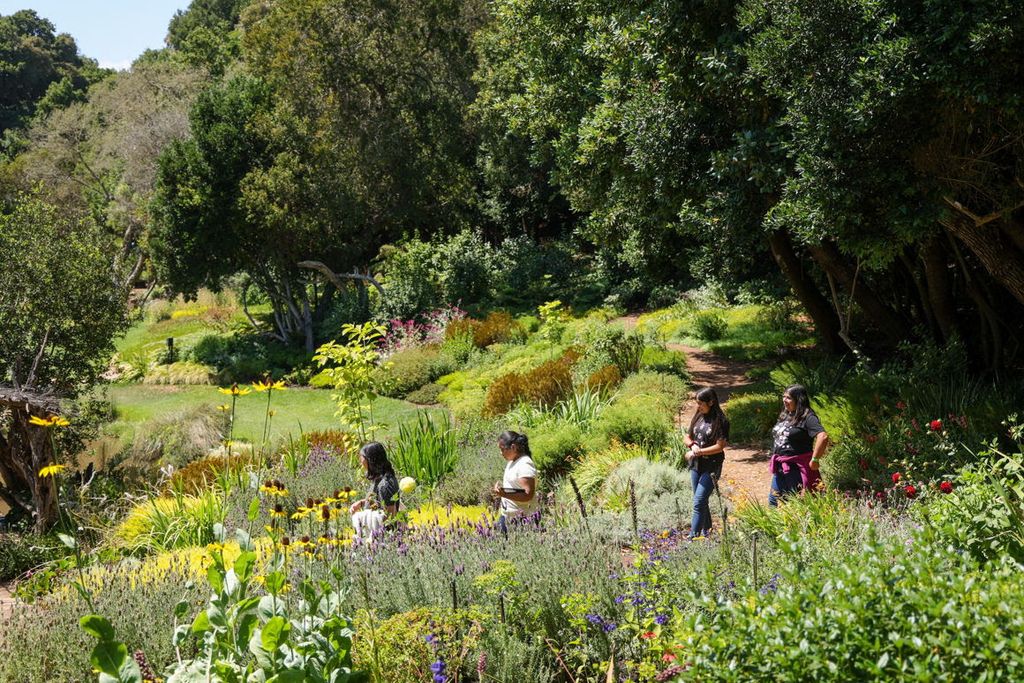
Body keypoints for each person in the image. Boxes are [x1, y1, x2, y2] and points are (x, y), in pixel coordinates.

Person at [768, 384, 829, 506]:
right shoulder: (786, 414)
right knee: (774, 501)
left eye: (789, 398)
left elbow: (823, 436)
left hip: (796, 469)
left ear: (798, 399)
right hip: (781, 466)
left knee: (796, 503)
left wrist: (815, 459)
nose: (785, 400)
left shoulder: (807, 417)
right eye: (784, 397)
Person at [683, 387, 729, 538]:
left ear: (711, 402)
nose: (698, 406)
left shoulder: (721, 421)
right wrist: (692, 445)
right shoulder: (699, 415)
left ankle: (693, 538)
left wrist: (699, 451)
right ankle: (707, 533)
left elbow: (720, 446)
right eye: (697, 403)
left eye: (701, 403)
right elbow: (687, 436)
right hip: (697, 465)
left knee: (698, 501)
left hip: (712, 465)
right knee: (702, 501)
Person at [349, 442, 400, 537]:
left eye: (362, 457)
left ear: (371, 460)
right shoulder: (380, 478)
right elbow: (379, 503)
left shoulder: (385, 485)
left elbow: (390, 517)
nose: (360, 460)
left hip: (384, 539)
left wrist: (361, 517)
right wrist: (362, 503)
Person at [492, 430, 537, 532]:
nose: (501, 453)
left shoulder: (525, 465)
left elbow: (528, 495)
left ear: (513, 447)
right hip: (508, 516)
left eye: (502, 449)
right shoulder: (512, 461)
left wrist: (504, 494)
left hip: (523, 520)